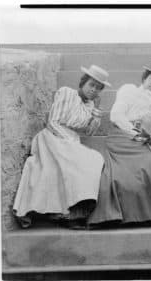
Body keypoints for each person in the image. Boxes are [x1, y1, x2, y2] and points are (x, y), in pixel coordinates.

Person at [13, 64, 111, 229]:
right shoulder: (66, 92)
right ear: (83, 82)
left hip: (70, 142)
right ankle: (65, 213)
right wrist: (69, 143)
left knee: (95, 158)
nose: (94, 90)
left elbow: (89, 132)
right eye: (91, 85)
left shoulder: (90, 106)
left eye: (99, 88)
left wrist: (96, 111)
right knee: (77, 159)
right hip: (52, 137)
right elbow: (52, 122)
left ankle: (74, 211)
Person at [86, 62, 151, 228]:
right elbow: (117, 116)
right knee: (148, 163)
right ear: (145, 78)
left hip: (145, 141)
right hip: (124, 137)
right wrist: (138, 135)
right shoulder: (129, 90)